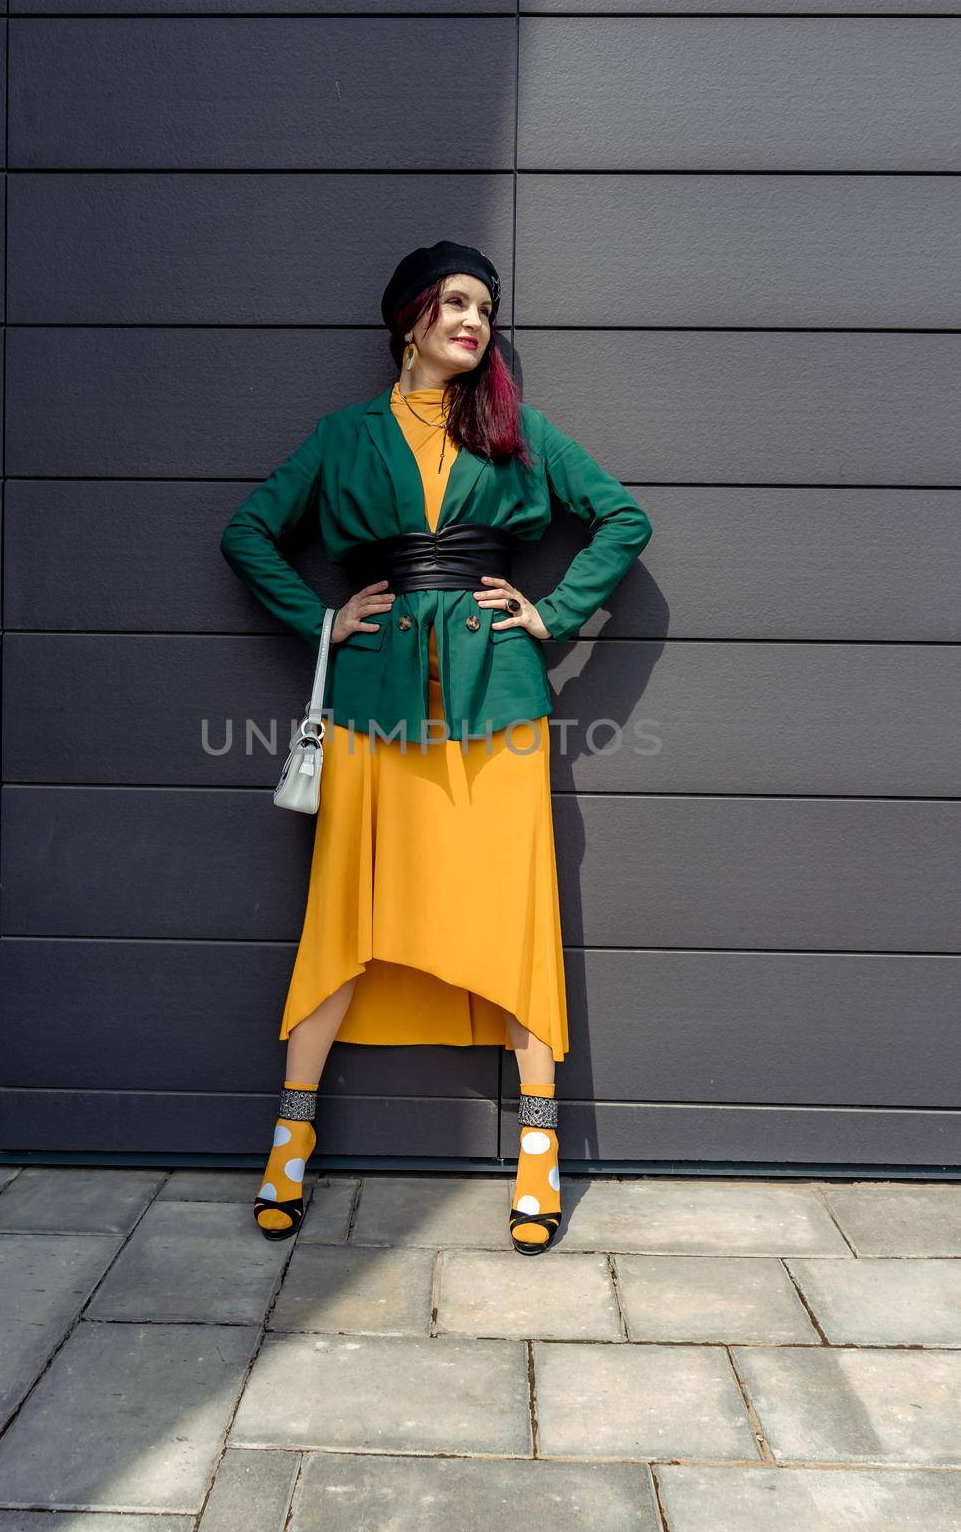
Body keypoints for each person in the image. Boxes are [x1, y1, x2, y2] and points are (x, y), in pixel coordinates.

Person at [220, 239, 653, 1254]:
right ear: (408, 317)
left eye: (484, 308)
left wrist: (553, 612)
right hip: (373, 709)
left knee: (515, 916)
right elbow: (247, 533)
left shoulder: (515, 431)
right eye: (454, 302)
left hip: (495, 708)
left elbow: (621, 520)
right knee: (340, 910)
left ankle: (537, 1156)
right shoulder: (341, 438)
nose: (472, 320)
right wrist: (321, 620)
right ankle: (289, 1136)